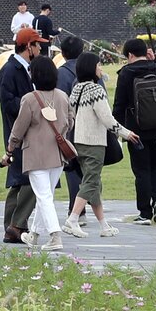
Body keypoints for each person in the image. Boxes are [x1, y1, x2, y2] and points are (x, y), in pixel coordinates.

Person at [1, 56, 72, 251]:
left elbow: (19, 128)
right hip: (57, 155)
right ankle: (34, 234)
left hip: (36, 155)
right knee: (45, 195)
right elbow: (69, 121)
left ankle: (55, 236)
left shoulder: (29, 99)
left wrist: (10, 149)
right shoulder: (62, 96)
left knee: (43, 197)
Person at [65, 52, 136, 238]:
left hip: (77, 142)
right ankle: (72, 219)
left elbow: (70, 117)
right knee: (90, 182)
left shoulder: (76, 89)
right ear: (91, 68)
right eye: (98, 65)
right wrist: (126, 134)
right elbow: (107, 119)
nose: (100, 69)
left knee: (94, 184)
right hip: (94, 143)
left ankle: (104, 225)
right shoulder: (96, 91)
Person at [112, 38, 156, 225]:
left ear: (130, 55)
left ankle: (145, 213)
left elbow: (119, 104)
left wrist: (118, 130)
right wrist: (154, 59)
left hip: (136, 130)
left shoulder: (126, 73)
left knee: (141, 170)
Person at [0, 27, 45, 241]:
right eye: (37, 44)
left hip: (26, 133)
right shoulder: (10, 70)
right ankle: (16, 225)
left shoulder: (25, 68)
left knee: (20, 182)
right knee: (31, 180)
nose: (41, 48)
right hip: (20, 133)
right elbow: (8, 104)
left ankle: (13, 228)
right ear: (28, 47)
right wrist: (33, 107)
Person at [55, 35, 86, 219]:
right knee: (90, 170)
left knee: (73, 167)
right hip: (92, 128)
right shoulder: (92, 70)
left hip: (70, 127)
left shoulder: (61, 73)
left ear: (63, 53)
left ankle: (77, 210)